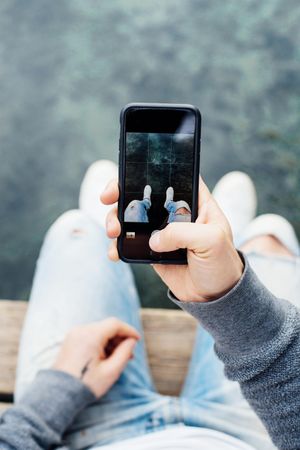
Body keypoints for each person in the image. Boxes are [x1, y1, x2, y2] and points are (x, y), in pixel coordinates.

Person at [0, 161, 299, 450]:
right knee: (270, 237)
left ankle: (131, 224)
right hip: (254, 436)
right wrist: (233, 299)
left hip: (86, 434)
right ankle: (221, 236)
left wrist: (55, 392)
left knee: (75, 231)